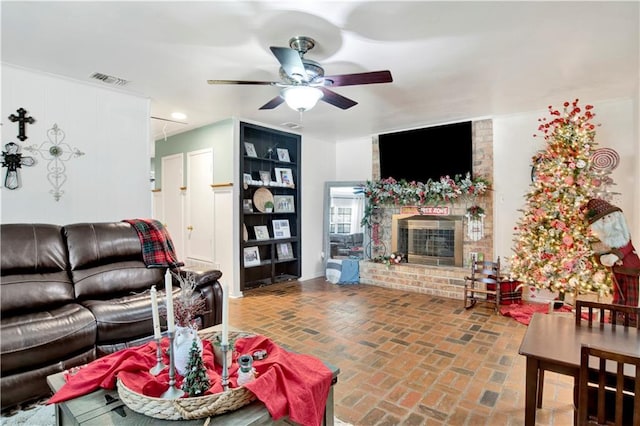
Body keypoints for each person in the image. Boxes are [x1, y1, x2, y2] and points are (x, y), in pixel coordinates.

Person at [586, 198, 640, 307]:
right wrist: (601, 259)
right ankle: (616, 317)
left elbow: (627, 246)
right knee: (618, 295)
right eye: (603, 219)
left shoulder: (622, 233)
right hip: (615, 269)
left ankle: (630, 320)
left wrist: (615, 256)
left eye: (609, 217)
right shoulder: (602, 237)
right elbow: (599, 252)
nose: (607, 221)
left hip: (630, 269)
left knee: (629, 297)